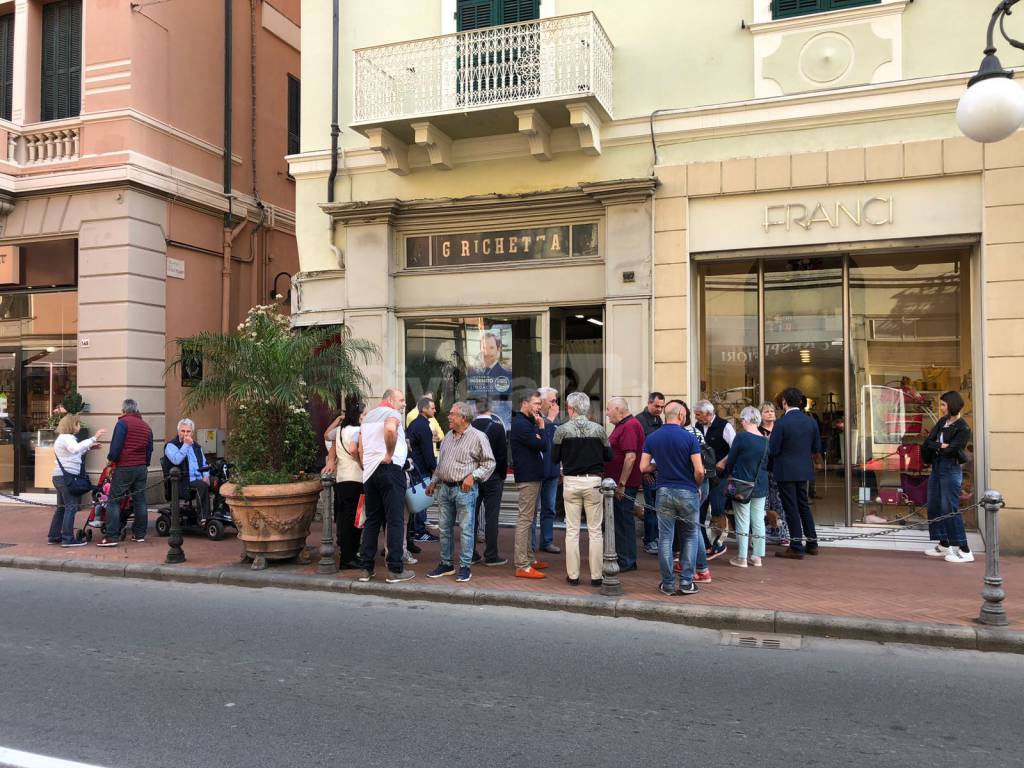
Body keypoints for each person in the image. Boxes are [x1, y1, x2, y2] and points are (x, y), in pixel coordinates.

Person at [640, 401, 705, 596]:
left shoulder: (652, 437)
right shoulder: (689, 437)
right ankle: (686, 582)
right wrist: (697, 485)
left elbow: (643, 467)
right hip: (687, 490)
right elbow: (699, 470)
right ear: (681, 416)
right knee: (690, 536)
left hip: (664, 491)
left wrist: (657, 466)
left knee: (665, 538)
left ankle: (667, 583)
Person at [426, 402, 496, 583]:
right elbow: (442, 463)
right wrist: (434, 481)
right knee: (444, 529)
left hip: (465, 490)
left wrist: (473, 476)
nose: (448, 417)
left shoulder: (478, 437)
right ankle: (446, 563)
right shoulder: (448, 435)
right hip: (445, 489)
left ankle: (465, 566)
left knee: (466, 530)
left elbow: (489, 463)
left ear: (463, 418)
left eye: (452, 414)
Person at [551, 391, 612, 587]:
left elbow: (554, 458)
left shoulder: (561, 430)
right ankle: (596, 576)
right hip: (593, 482)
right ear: (586, 408)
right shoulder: (599, 429)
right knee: (595, 531)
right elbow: (609, 456)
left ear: (570, 408)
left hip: (571, 482)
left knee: (572, 531)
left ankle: (574, 576)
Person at [355, 388, 415, 582]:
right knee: (395, 520)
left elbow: (359, 447)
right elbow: (390, 429)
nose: (404, 404)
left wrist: (366, 465)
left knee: (372, 520)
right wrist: (389, 454)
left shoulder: (368, 416)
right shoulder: (392, 413)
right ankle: (395, 569)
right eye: (401, 400)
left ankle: (365, 568)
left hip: (370, 473)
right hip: (390, 470)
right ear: (389, 399)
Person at [769, 387, 822, 559]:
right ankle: (812, 543)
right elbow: (816, 448)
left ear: (784, 402)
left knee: (791, 508)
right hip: (804, 468)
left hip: (785, 470)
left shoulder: (782, 423)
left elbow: (774, 449)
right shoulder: (811, 421)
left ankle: (796, 545)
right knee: (804, 505)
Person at [923, 391, 974, 563]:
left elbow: (952, 450)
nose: (941, 407)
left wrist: (939, 446)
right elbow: (927, 442)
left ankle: (965, 550)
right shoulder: (942, 422)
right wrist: (940, 445)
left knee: (949, 508)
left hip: (950, 469)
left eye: (943, 404)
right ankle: (944, 544)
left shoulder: (963, 428)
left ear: (951, 405)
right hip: (937, 467)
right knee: (934, 504)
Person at [98, 399, 153, 546]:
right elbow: (149, 449)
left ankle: (111, 536)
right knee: (140, 500)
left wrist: (110, 462)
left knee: (113, 500)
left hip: (125, 466)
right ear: (136, 410)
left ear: (123, 410)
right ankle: (139, 534)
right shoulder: (146, 427)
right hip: (141, 467)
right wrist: (144, 463)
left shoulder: (122, 423)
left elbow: (116, 447)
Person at [48, 414, 106, 547]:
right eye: (78, 424)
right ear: (72, 425)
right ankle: (68, 538)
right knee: (71, 507)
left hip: (60, 477)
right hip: (67, 478)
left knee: (62, 508)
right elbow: (75, 449)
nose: (79, 426)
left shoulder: (62, 439)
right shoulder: (67, 438)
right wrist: (93, 438)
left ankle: (54, 535)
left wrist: (89, 447)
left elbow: (73, 454)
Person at [725, 407, 770, 568]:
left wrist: (730, 473)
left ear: (746, 420)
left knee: (742, 520)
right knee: (758, 520)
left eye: (741, 420)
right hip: (761, 484)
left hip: (742, 484)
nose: (741, 423)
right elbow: (767, 464)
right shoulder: (765, 441)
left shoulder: (742, 438)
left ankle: (742, 557)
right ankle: (757, 556)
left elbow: (731, 460)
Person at [509, 390, 548, 579]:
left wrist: (539, 433)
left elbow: (540, 444)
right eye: (536, 403)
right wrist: (541, 430)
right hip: (527, 477)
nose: (539, 407)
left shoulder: (527, 422)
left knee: (530, 518)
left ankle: (530, 559)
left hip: (533, 475)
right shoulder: (521, 424)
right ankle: (522, 565)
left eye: (540, 404)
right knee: (525, 520)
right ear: (525, 403)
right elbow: (542, 445)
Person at [604, 397, 645, 572]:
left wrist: (621, 484)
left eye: (608, 409)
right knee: (620, 521)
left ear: (618, 409)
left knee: (623, 521)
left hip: (623, 485)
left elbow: (630, 457)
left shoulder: (629, 426)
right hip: (618, 483)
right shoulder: (623, 425)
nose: (606, 413)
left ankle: (626, 560)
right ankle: (626, 558)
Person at [323, 402, 365, 569]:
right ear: (358, 416)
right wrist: (361, 464)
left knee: (345, 520)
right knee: (355, 521)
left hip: (342, 480)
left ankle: (347, 554)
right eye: (363, 415)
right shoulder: (357, 431)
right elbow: (355, 450)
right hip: (356, 479)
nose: (364, 418)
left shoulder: (340, 430)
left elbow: (328, 438)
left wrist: (332, 460)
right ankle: (349, 557)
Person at [694, 399, 736, 560]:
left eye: (699, 415)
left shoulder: (725, 426)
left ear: (709, 414)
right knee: (701, 509)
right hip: (703, 476)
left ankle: (720, 539)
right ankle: (706, 545)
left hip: (720, 476)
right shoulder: (697, 426)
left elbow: (735, 448)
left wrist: (723, 462)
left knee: (718, 508)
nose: (697, 418)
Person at [472, 397, 509, 566]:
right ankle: (491, 554)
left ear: (476, 409)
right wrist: (501, 475)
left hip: (472, 477)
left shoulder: (469, 427)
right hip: (493, 477)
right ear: (490, 408)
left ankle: (470, 553)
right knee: (492, 517)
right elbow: (502, 455)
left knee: (471, 516)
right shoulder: (497, 428)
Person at [163, 418, 211, 524]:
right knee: (201, 485)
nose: (185, 434)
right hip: (183, 481)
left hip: (199, 477)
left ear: (192, 432)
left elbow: (204, 463)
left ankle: (219, 514)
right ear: (178, 431)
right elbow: (176, 460)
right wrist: (186, 445)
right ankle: (204, 518)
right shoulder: (171, 445)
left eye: (188, 431)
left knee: (220, 481)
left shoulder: (197, 446)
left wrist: (206, 475)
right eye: (183, 431)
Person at [636, 392, 665, 555]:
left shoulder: (658, 420)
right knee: (650, 507)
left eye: (662, 406)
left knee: (656, 506)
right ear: (649, 403)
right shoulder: (640, 421)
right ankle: (649, 540)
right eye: (656, 406)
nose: (659, 409)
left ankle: (655, 538)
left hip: (657, 470)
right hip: (647, 472)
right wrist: (644, 472)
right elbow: (639, 448)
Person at [406, 396, 439, 545]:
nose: (435, 410)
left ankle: (414, 530)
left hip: (415, 467)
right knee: (421, 499)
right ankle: (419, 531)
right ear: (424, 409)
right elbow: (427, 452)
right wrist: (434, 469)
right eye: (432, 408)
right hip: (421, 469)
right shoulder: (423, 426)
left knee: (416, 500)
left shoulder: (414, 424)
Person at [758, 401, 789, 546]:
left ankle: (783, 533)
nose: (770, 413)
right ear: (761, 415)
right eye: (766, 411)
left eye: (772, 411)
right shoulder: (757, 431)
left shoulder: (780, 428)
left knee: (780, 503)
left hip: (778, 470)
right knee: (764, 504)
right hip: (762, 472)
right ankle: (764, 533)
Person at [536, 386, 561, 554]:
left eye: (556, 401)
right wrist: (550, 420)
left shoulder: (556, 420)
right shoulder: (535, 417)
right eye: (552, 401)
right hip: (536, 471)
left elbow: (557, 444)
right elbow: (544, 442)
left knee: (549, 508)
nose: (555, 405)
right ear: (543, 401)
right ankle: (529, 544)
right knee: (531, 510)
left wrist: (561, 467)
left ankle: (547, 541)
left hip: (552, 470)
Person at [406, 391, 444, 455]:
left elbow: (441, 434)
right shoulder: (412, 414)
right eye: (427, 400)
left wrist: (436, 436)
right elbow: (420, 436)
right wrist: (431, 435)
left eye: (431, 400)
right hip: (422, 454)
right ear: (420, 399)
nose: (429, 402)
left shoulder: (430, 415)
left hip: (434, 452)